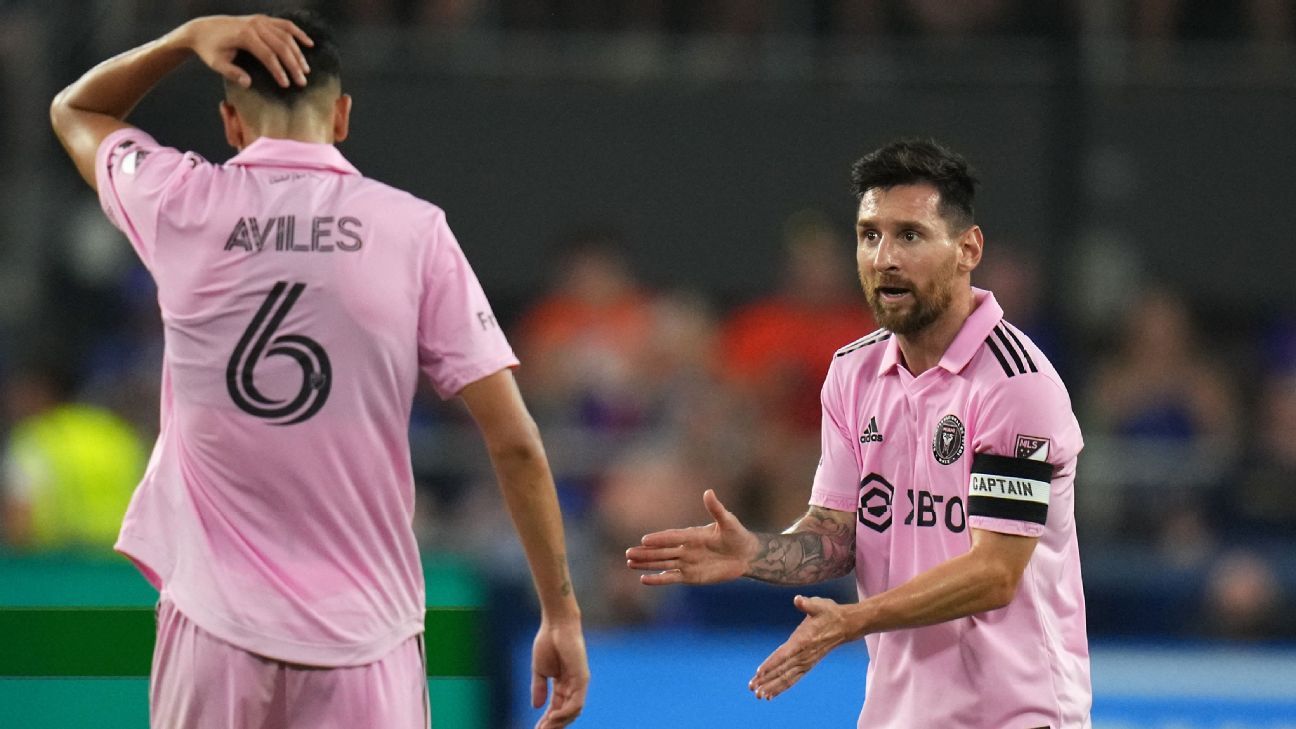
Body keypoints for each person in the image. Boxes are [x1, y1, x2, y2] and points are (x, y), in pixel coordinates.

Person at [49, 11, 587, 729]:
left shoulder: (176, 200)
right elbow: (515, 441)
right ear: (341, 116)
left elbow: (75, 109)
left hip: (214, 631)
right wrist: (560, 613)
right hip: (366, 643)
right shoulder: (413, 230)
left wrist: (185, 38)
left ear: (230, 124)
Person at [627, 139, 1091, 727]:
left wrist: (852, 620)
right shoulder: (853, 373)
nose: (884, 258)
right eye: (870, 235)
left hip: (1014, 716)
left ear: (968, 249)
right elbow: (837, 535)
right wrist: (755, 554)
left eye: (910, 236)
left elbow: (995, 574)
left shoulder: (1015, 384)